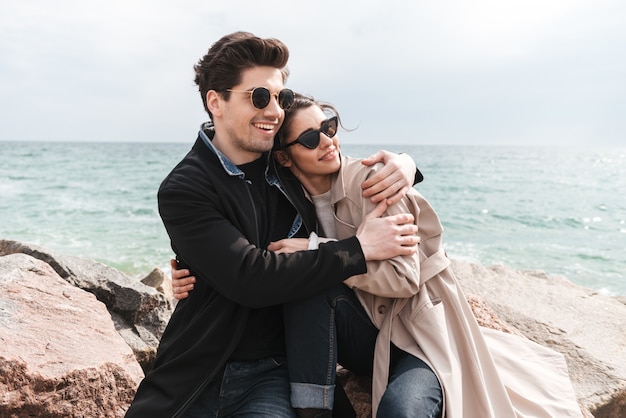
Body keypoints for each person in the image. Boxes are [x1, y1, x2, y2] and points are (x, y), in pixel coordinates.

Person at [174, 94, 584, 418]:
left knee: (401, 410)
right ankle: (317, 409)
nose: (328, 141)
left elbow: (404, 280)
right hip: (365, 332)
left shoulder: (372, 183)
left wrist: (327, 247)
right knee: (307, 282)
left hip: (415, 337)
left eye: (329, 127)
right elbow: (239, 244)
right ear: (283, 156)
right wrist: (190, 270)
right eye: (310, 138)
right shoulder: (288, 198)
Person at [125, 31, 422, 418]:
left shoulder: (285, 162)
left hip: (275, 372)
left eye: (279, 98)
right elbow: (249, 277)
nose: (274, 111)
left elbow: (336, 165)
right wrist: (358, 251)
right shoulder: (184, 188)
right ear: (216, 101)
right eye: (259, 97)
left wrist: (404, 164)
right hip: (200, 367)